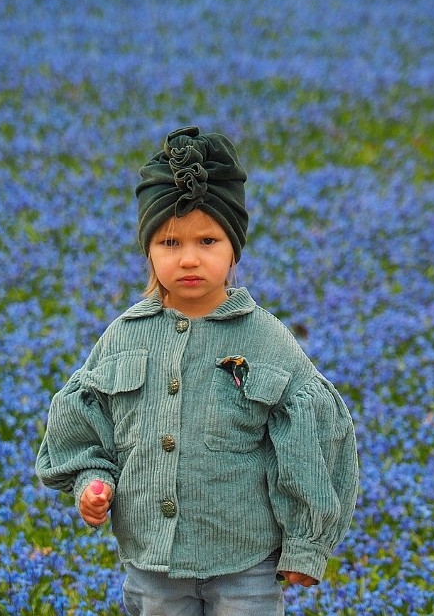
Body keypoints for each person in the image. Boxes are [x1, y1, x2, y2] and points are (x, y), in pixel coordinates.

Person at [36, 126, 359, 615]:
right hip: (152, 564)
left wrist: (307, 542)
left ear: (234, 249)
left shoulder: (265, 339)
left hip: (245, 563)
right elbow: (84, 429)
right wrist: (91, 484)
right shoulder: (124, 335)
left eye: (208, 240)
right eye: (170, 242)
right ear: (148, 250)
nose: (189, 258)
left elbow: (310, 441)